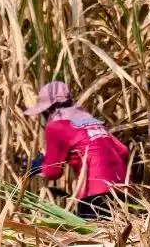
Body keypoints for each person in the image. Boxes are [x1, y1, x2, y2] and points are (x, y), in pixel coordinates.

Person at [24, 81, 130, 220]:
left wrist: (34, 166)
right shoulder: (90, 120)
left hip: (93, 192)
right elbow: (123, 150)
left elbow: (53, 172)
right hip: (121, 189)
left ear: (47, 110)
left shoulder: (56, 126)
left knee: (93, 240)